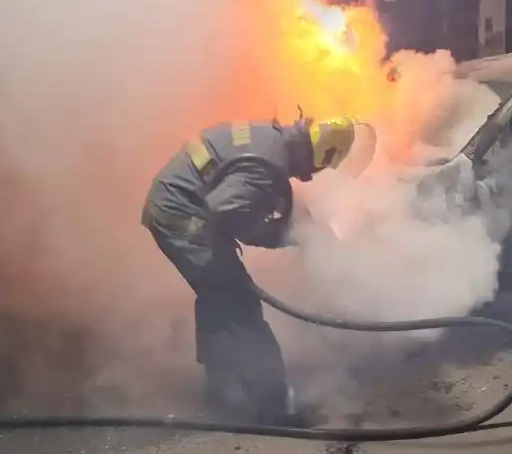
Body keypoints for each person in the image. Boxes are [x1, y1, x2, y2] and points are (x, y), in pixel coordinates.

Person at [141, 116, 356, 423]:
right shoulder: (266, 166)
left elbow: (250, 190)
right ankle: (274, 407)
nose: (311, 176)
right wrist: (283, 236)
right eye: (320, 167)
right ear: (320, 155)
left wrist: (308, 228)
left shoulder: (271, 140)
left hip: (174, 202)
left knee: (217, 297)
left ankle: (220, 386)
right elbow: (228, 213)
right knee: (238, 304)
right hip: (182, 218)